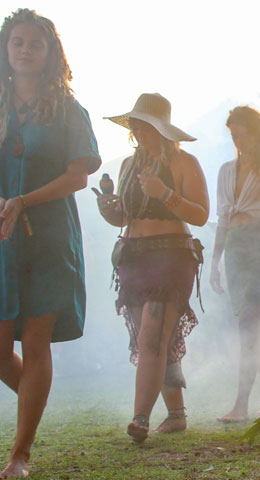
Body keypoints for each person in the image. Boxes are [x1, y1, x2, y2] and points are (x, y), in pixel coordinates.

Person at [0, 9, 101, 477]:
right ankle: (36, 399)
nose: (25, 50)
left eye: (34, 44)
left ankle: (19, 456)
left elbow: (78, 176)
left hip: (48, 238)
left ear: (49, 52)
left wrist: (23, 200)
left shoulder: (66, 109)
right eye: (17, 42)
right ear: (6, 49)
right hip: (1, 238)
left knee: (37, 343)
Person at [98, 93, 208, 442]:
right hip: (134, 257)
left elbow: (201, 215)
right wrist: (108, 209)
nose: (138, 131)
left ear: (161, 129)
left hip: (172, 258)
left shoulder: (185, 163)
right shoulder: (129, 166)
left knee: (152, 337)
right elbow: (125, 217)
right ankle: (175, 414)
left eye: (145, 125)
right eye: (135, 125)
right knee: (151, 339)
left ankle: (140, 418)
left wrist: (165, 194)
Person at [210, 106, 260, 423]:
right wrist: (215, 261)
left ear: (257, 135)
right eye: (234, 136)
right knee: (253, 330)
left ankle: (242, 405)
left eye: (243, 135)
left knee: (248, 322)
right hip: (235, 247)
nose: (238, 142)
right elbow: (221, 219)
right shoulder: (225, 170)